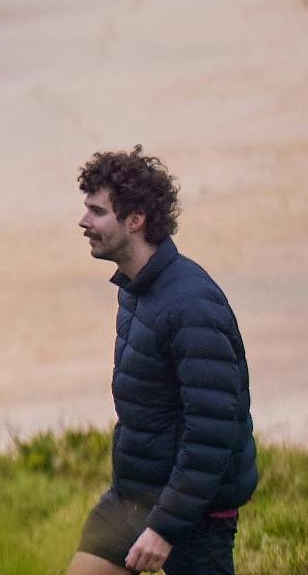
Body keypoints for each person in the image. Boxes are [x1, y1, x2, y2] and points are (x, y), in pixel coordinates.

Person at [69, 147, 257, 574]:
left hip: (194, 516)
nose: (83, 222)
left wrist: (165, 528)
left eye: (97, 212)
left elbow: (212, 431)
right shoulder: (136, 290)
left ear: (135, 219)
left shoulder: (192, 305)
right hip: (133, 498)